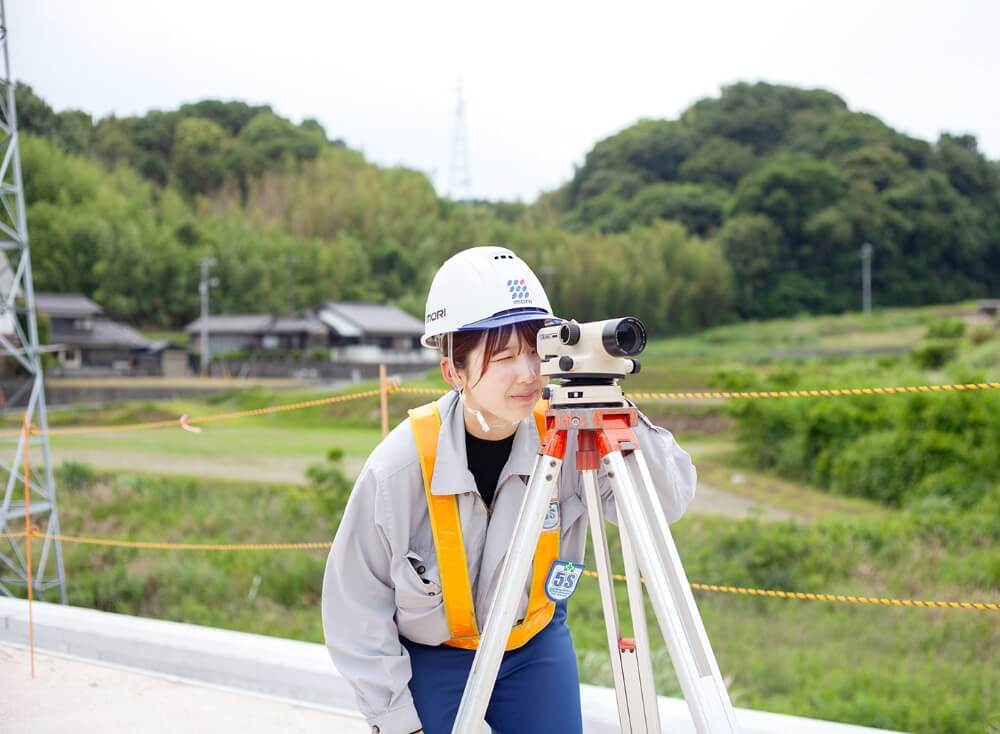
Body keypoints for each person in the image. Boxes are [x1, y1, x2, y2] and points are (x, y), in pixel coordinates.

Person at [322, 245, 697, 734]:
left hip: (533, 647)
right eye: (503, 357)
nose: (527, 374)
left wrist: (612, 408)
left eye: (533, 351)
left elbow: (665, 503)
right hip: (435, 656)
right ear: (453, 370)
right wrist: (397, 720)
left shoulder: (570, 434)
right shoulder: (399, 469)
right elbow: (356, 605)